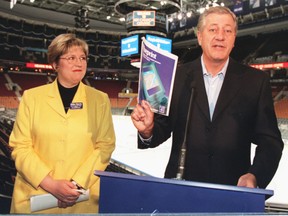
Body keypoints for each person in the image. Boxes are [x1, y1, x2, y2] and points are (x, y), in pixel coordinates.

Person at [131, 6, 283, 189]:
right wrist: (148, 130)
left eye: (227, 30)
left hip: (234, 190)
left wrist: (255, 175)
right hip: (181, 187)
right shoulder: (175, 76)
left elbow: (270, 141)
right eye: (213, 29)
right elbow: (162, 129)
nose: (220, 36)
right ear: (200, 36)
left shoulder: (256, 81)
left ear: (234, 38)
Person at [9, 33, 116, 213]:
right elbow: (20, 147)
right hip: (37, 198)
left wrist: (76, 185)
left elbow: (105, 146)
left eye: (83, 58)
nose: (79, 63)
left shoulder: (100, 100)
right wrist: (50, 184)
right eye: (71, 58)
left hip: (80, 198)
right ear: (55, 64)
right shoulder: (32, 97)